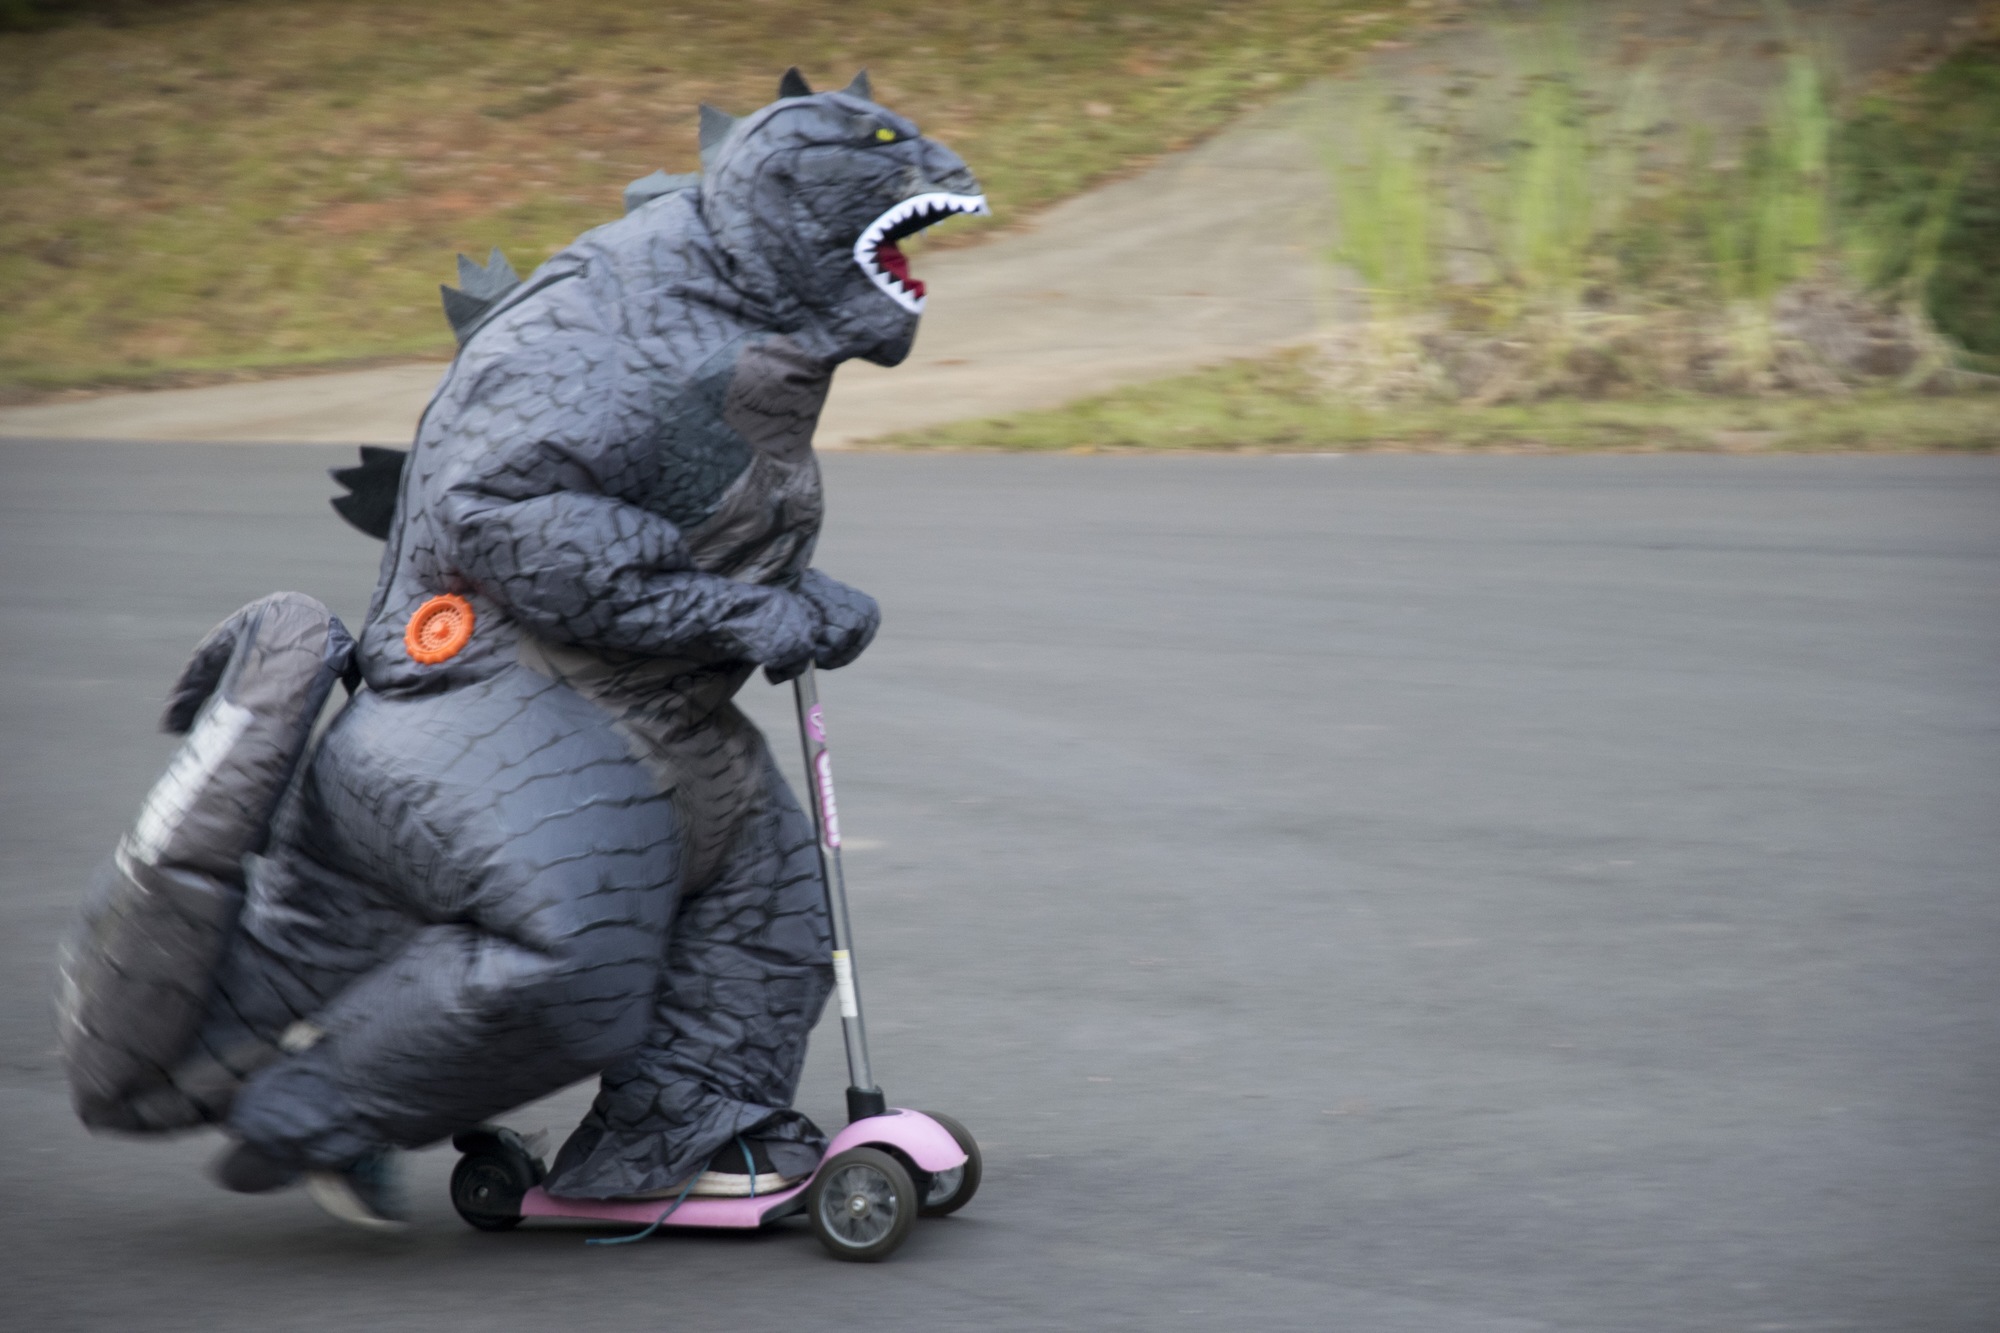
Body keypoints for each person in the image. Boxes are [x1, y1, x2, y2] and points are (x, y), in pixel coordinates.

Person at [175, 68, 984, 1230]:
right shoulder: (621, 317)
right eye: (872, 144)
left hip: (647, 720)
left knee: (772, 910)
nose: (923, 173)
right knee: (579, 954)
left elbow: (697, 519)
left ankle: (673, 1127)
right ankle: (313, 1104)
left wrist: (796, 594)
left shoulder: (739, 339)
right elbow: (503, 516)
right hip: (485, 709)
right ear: (781, 196)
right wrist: (736, 613)